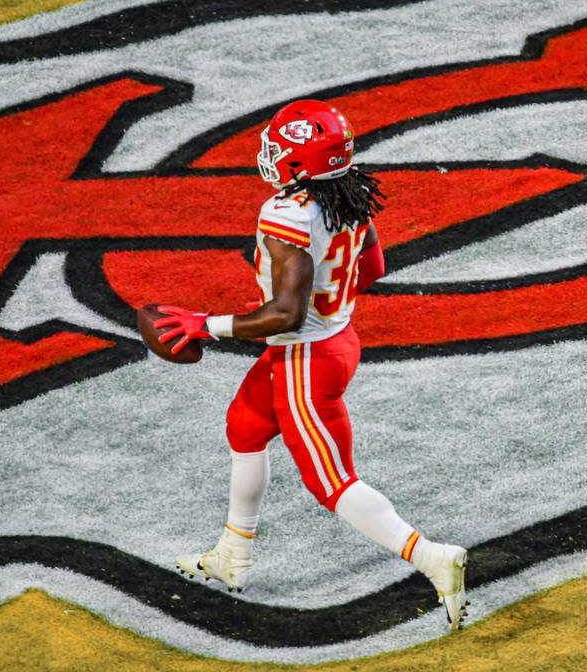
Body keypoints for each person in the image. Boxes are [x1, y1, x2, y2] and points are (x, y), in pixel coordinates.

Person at [154, 100, 468, 629]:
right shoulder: (350, 192)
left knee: (332, 483)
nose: (271, 154)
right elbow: (372, 265)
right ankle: (234, 554)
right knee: (245, 426)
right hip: (335, 339)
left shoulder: (288, 213)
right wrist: (332, 299)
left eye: (280, 147)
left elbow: (285, 314)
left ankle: (430, 556)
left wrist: (205, 324)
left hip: (304, 355)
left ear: (299, 161)